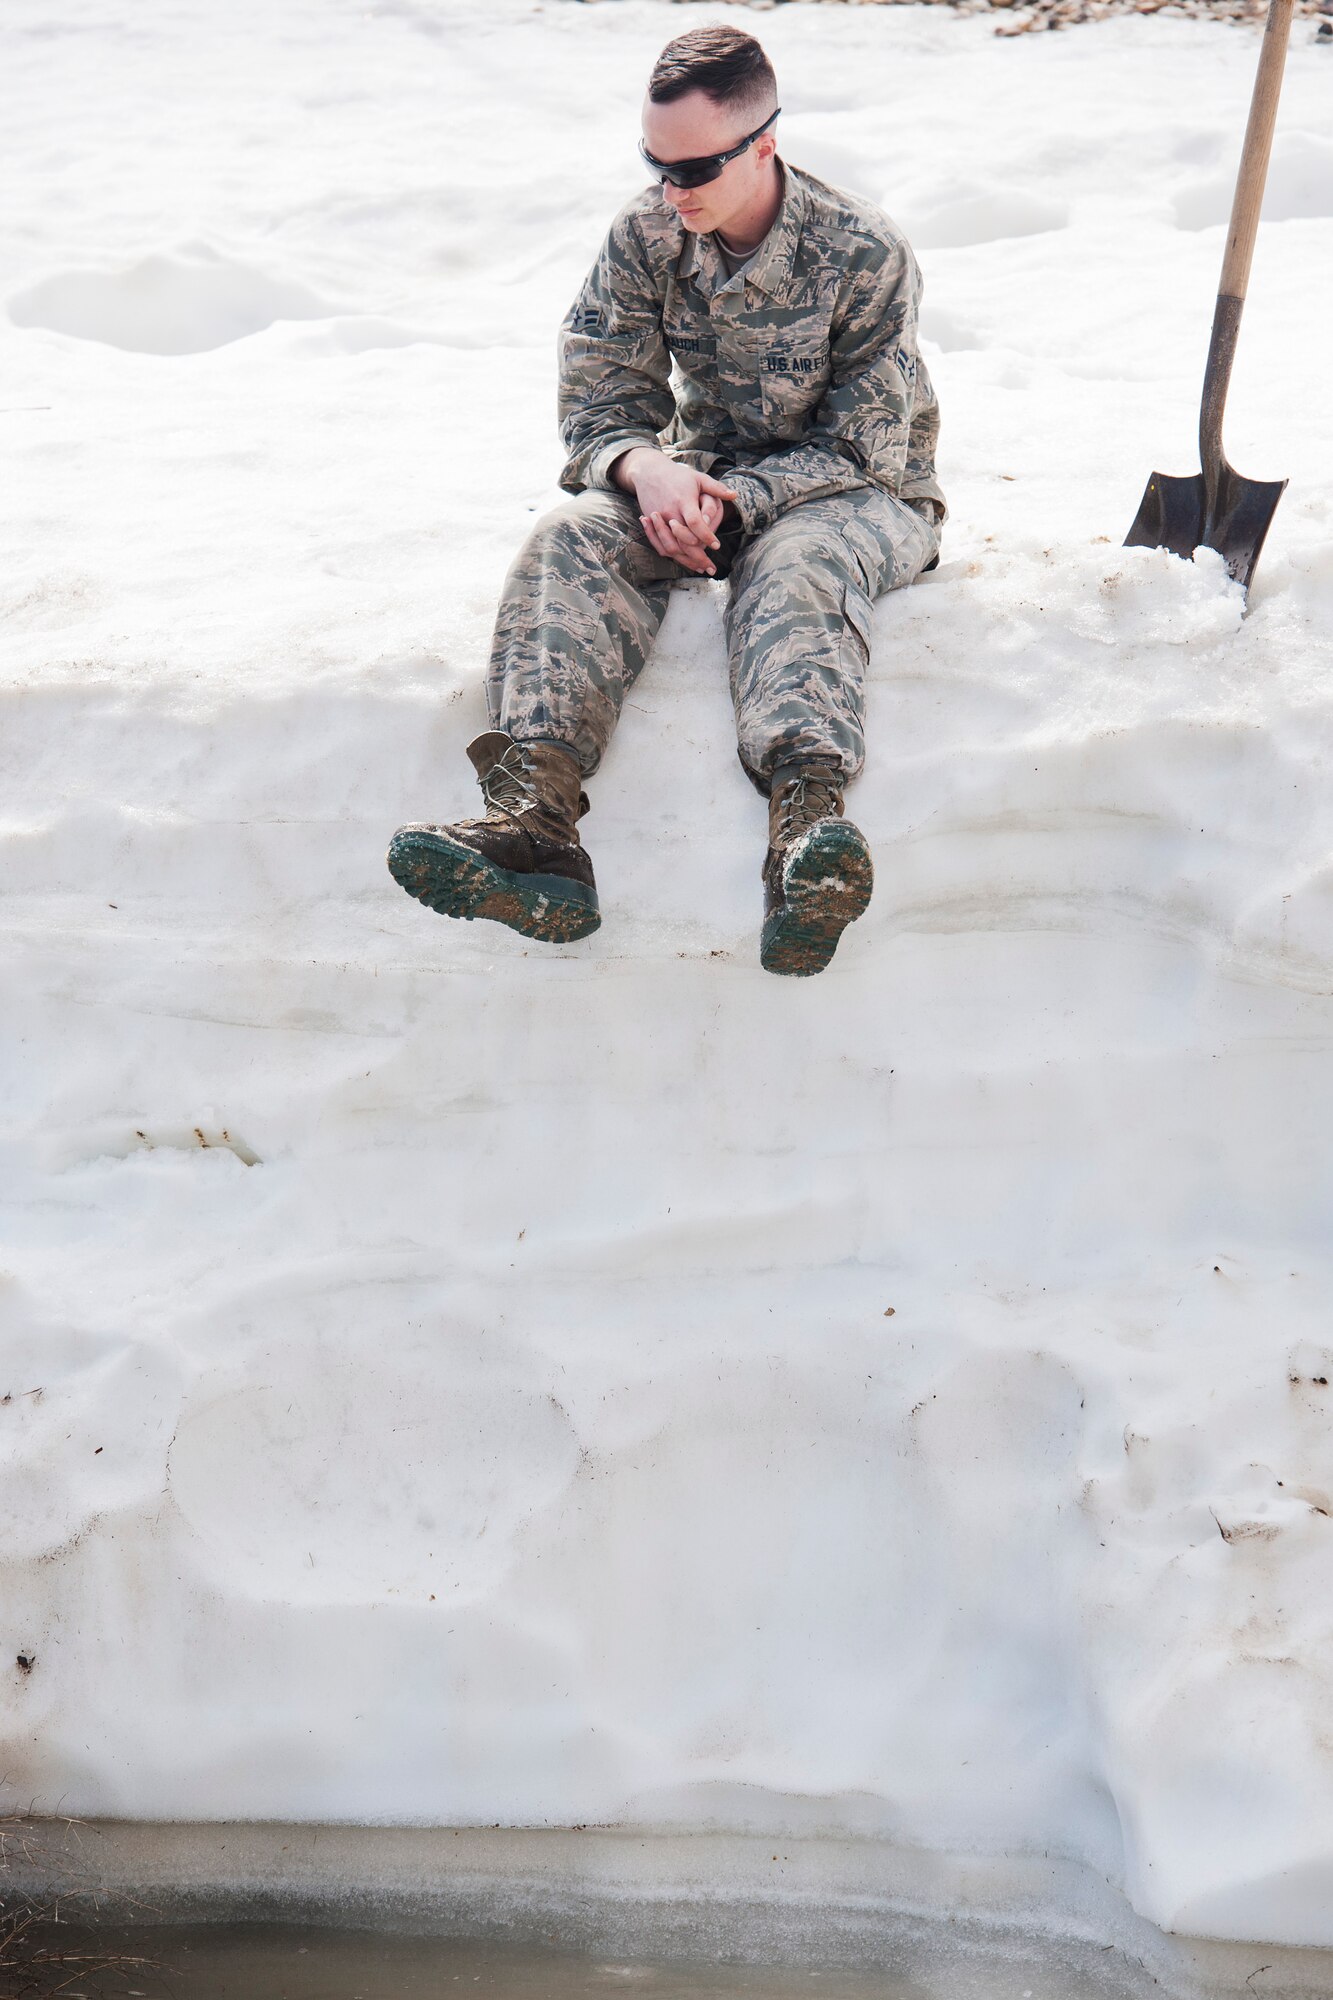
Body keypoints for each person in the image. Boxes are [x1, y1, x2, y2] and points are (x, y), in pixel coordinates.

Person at [388, 25, 944, 976]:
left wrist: (729, 504)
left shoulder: (861, 250)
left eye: (696, 167)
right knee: (566, 538)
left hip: (854, 492)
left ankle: (805, 846)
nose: (672, 187)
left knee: (795, 564)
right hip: (691, 482)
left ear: (763, 140)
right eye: (655, 162)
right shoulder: (645, 233)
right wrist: (644, 469)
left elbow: (865, 440)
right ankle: (537, 831)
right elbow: (600, 391)